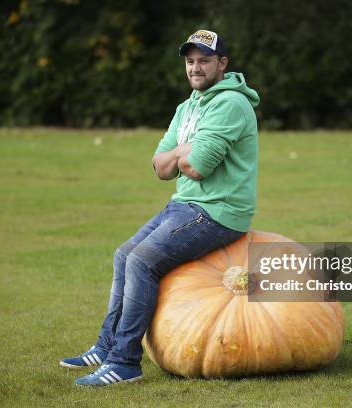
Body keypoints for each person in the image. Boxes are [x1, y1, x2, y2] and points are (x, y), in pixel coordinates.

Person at [60, 29, 260, 386]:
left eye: (205, 61)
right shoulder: (186, 108)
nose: (196, 68)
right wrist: (186, 150)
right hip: (184, 205)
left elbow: (198, 167)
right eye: (190, 61)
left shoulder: (231, 103)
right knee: (124, 255)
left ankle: (125, 362)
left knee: (142, 261)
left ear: (222, 64)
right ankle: (105, 347)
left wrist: (181, 153)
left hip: (218, 211)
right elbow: (159, 167)